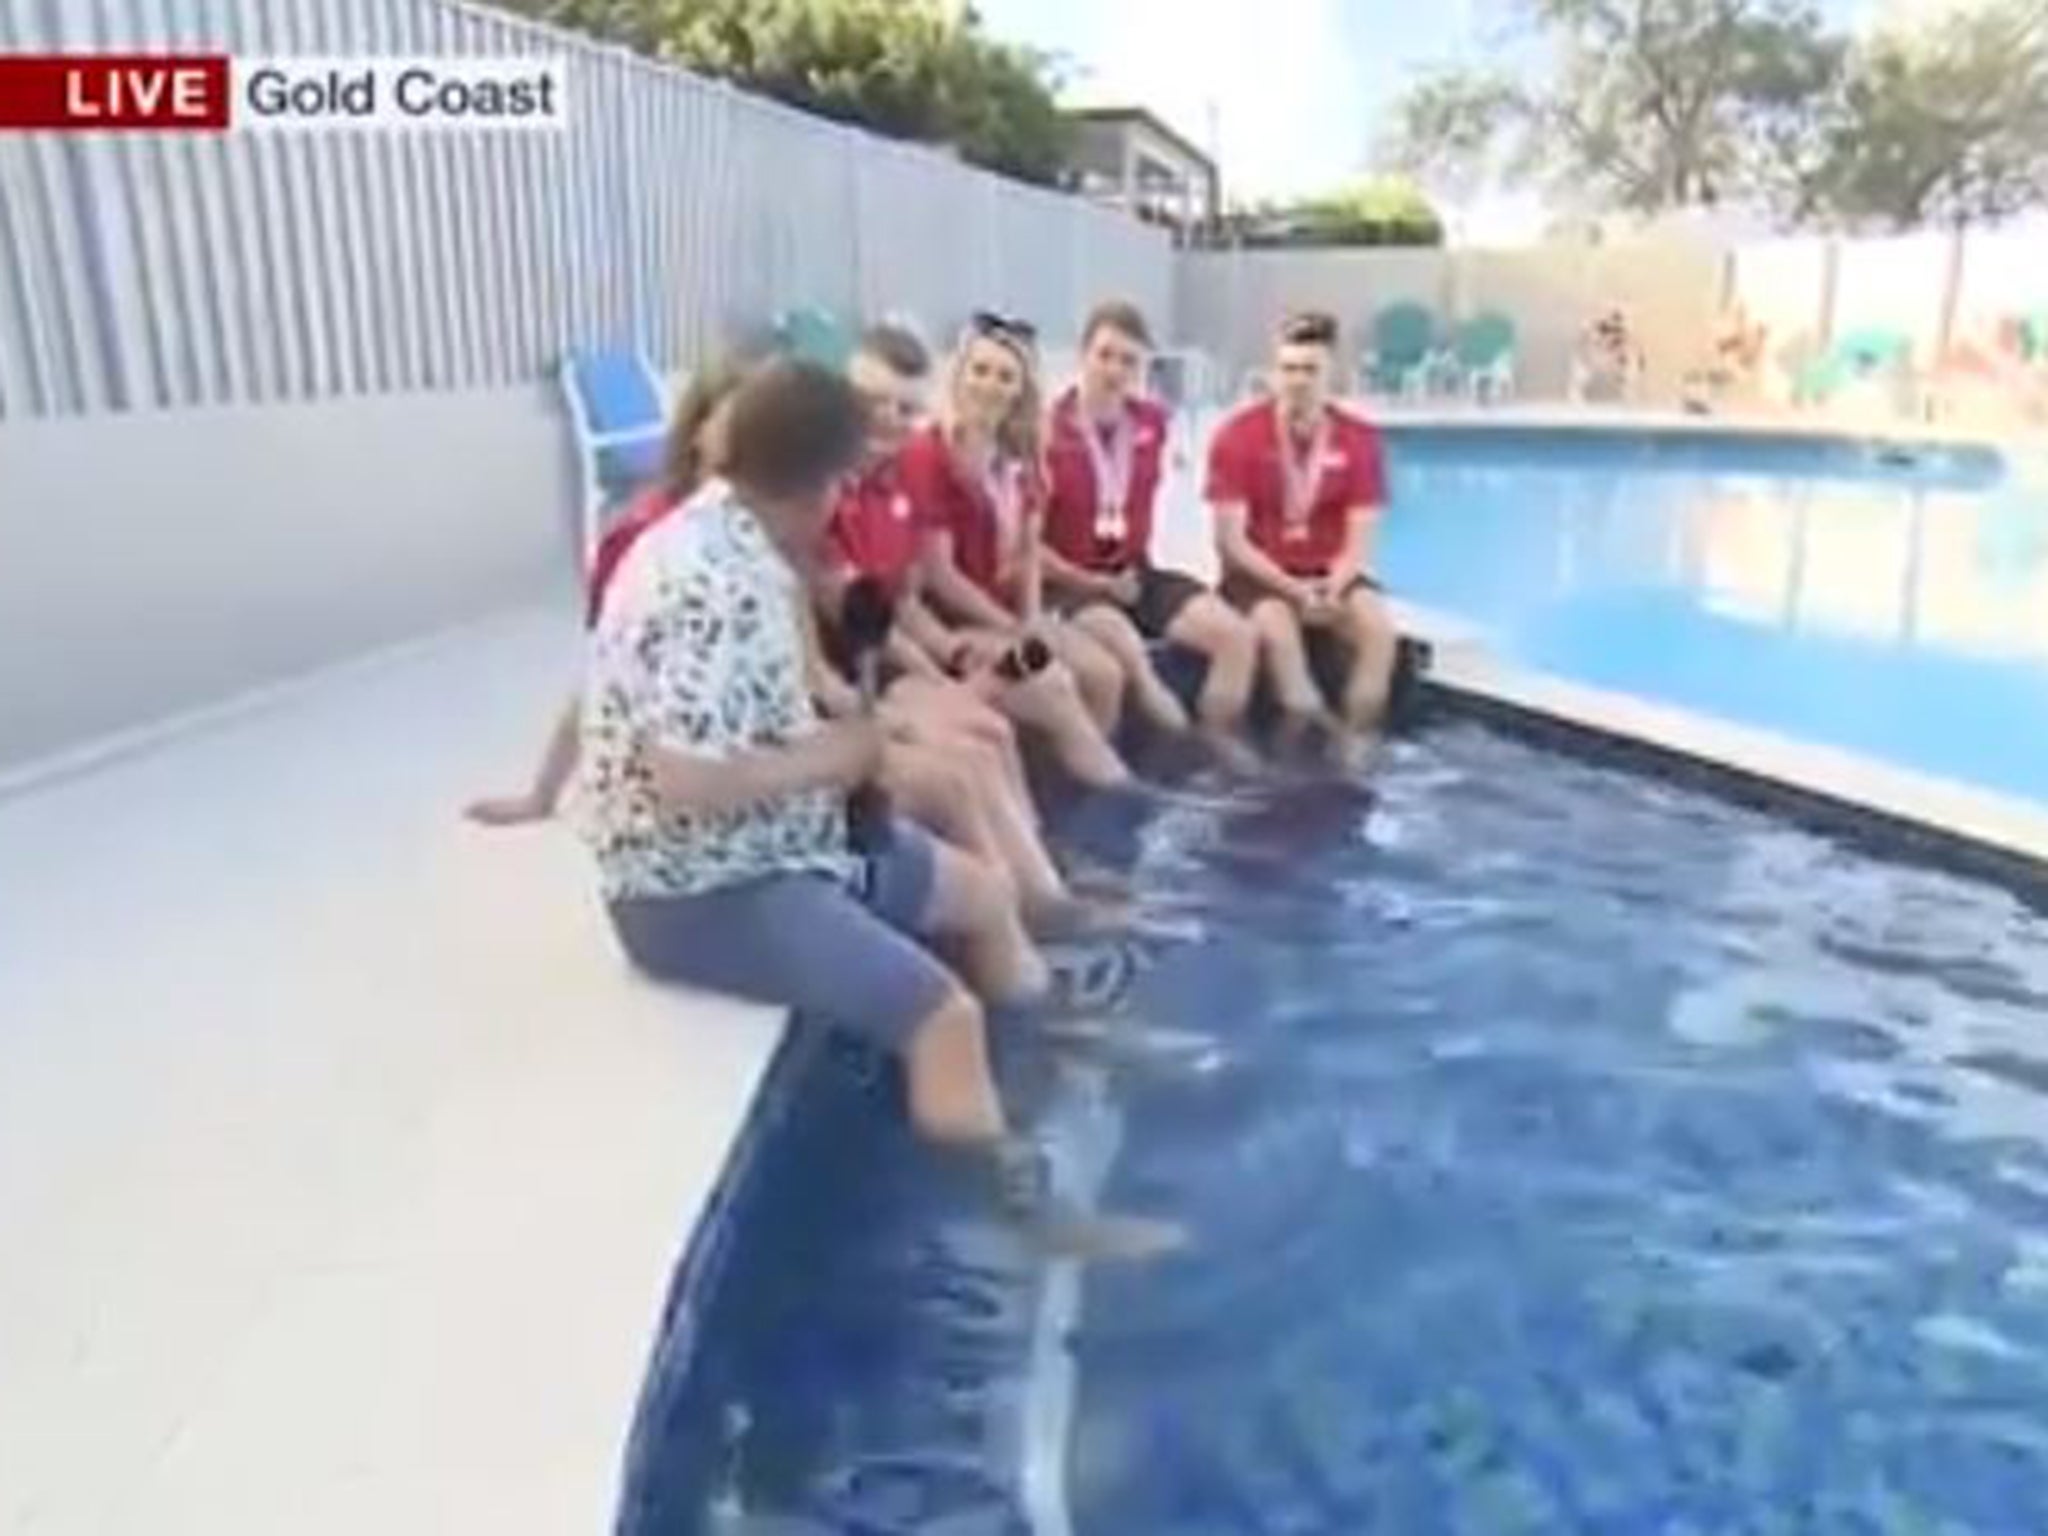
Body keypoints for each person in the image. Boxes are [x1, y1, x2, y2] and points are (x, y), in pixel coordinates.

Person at [580, 360, 1173, 1256]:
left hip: (783, 841)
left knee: (982, 893)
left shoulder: (740, 542)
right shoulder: (707, 581)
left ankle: (1056, 1054)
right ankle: (1021, 1227)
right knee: (945, 1019)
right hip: (700, 889)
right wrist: (839, 756)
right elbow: (679, 784)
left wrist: (853, 748)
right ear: (827, 481)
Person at [812, 323, 1078, 923]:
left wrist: (952, 664)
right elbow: (876, 608)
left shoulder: (890, 485)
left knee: (998, 725)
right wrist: (947, 673)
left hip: (898, 662)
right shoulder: (828, 493)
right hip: (852, 690)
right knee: (970, 762)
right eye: (870, 402)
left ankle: (1045, 883)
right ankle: (1031, 907)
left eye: (904, 408)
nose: (887, 420)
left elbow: (901, 603)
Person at [464, 359, 747, 827]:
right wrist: (541, 796)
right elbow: (603, 675)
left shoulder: (772, 524)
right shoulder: (643, 537)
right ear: (699, 432)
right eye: (739, 428)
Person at [897, 312, 1133, 789]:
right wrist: (1014, 629)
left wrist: (1030, 620)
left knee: (1105, 674)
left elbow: (1029, 554)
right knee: (1054, 682)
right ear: (959, 376)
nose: (988, 384)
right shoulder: (928, 454)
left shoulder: (1019, 459)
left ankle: (1072, 791)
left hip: (1007, 614)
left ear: (1020, 390)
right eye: (979, 371)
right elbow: (941, 575)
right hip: (952, 622)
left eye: (1004, 376)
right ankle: (1119, 794)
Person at [1041, 300, 1257, 740]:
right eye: (1105, 355)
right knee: (1132, 662)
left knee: (1238, 638)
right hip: (1070, 588)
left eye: (1128, 360)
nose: (1115, 370)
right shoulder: (1046, 433)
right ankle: (1165, 748)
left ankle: (1216, 749)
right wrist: (1091, 582)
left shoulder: (1152, 424)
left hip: (1137, 574)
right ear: (1083, 355)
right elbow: (1025, 547)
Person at [1205, 310, 1399, 746]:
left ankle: (1356, 743)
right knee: (1279, 635)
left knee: (1379, 632)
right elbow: (1231, 543)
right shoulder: (1237, 436)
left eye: (1310, 370)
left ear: (1333, 373)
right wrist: (1296, 592)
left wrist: (1333, 586)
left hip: (1331, 576)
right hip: (1261, 577)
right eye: (1288, 369)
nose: (1298, 381)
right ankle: (1297, 752)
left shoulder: (1359, 439)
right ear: (1274, 372)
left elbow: (1359, 539)